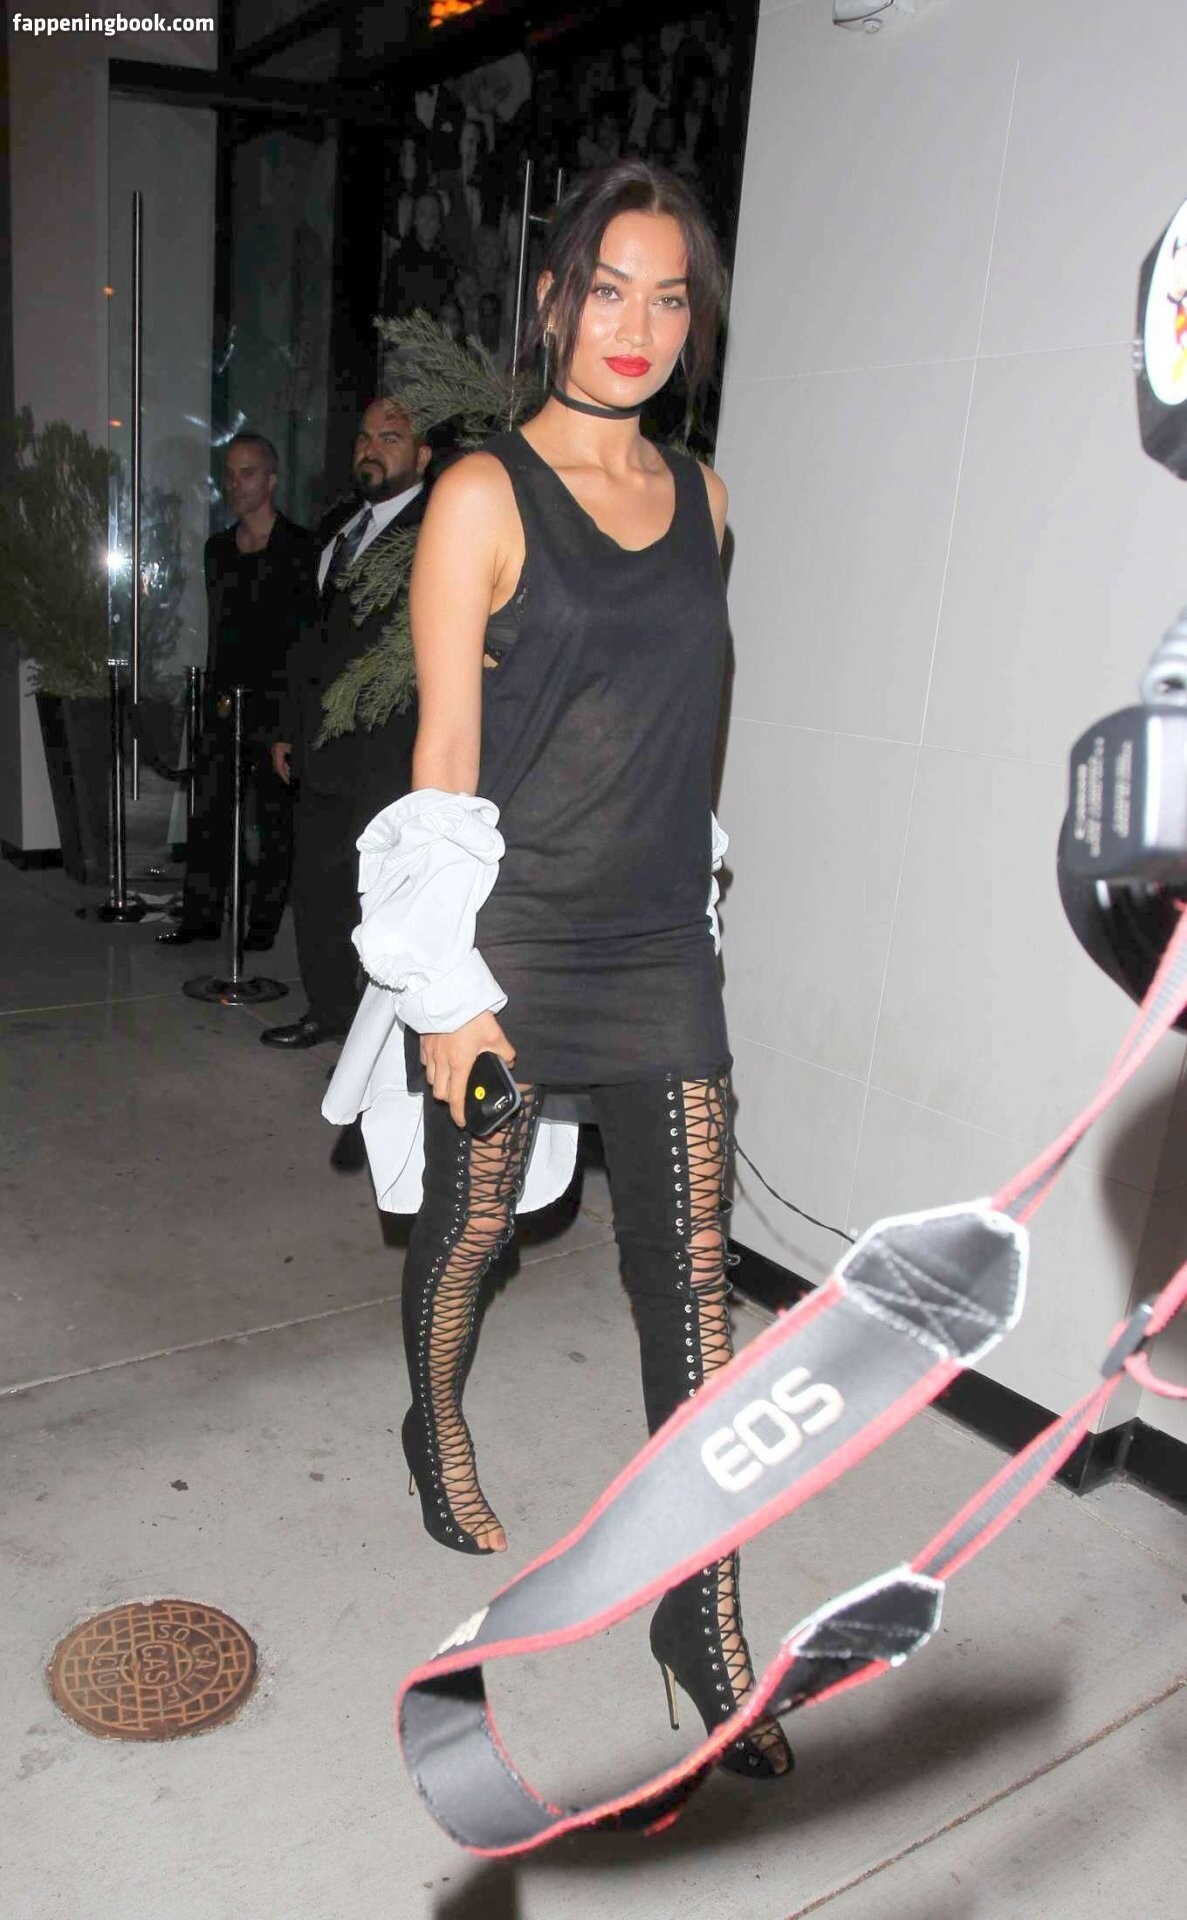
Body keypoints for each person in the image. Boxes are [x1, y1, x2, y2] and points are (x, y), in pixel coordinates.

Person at [326, 161, 792, 1779]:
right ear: (551, 299)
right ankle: (431, 1418)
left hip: (656, 946)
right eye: (607, 288)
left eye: (668, 297)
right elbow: (446, 756)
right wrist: (447, 996)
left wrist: (695, 893)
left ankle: (699, 1616)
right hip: (511, 942)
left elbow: (684, 731)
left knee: (694, 1299)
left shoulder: (706, 502)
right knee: (469, 1232)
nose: (636, 325)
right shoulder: (481, 494)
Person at [261, 399, 430, 1050]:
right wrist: (288, 726)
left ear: (422, 456)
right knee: (318, 889)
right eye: (363, 437)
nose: (370, 448)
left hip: (390, 749)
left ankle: (380, 1051)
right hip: (323, 746)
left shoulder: (434, 528)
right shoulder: (338, 524)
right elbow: (308, 637)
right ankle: (327, 1011)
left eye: (390, 437)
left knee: (381, 903)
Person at [157, 433, 316, 951]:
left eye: (247, 472)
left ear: (271, 479)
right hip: (225, 698)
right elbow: (220, 632)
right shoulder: (218, 550)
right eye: (229, 473)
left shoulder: (301, 549)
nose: (235, 483)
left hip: (276, 702)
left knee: (273, 819)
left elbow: (303, 639)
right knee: (210, 812)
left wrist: (292, 717)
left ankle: (262, 923)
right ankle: (201, 916)